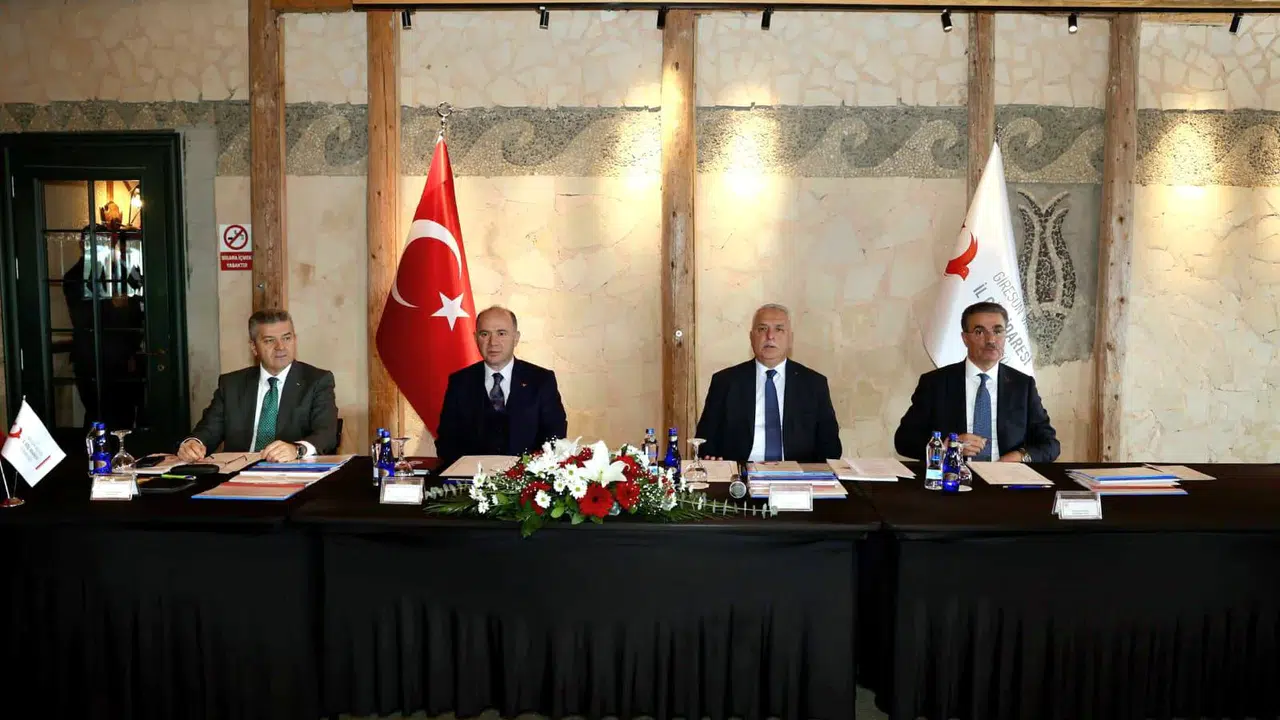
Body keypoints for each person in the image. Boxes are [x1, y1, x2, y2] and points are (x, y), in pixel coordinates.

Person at [894, 301, 1060, 462]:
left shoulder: (1022, 385)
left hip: (1007, 476)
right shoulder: (935, 383)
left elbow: (1050, 444)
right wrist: (946, 447)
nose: (991, 340)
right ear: (965, 338)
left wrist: (1020, 457)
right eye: (979, 332)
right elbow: (904, 440)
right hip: (952, 474)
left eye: (998, 331)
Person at [177, 309, 339, 462]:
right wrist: (193, 444)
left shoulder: (317, 381)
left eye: (286, 338)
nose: (280, 347)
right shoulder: (232, 384)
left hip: (291, 471)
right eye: (269, 341)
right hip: (238, 472)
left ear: (295, 340)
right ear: (254, 347)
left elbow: (326, 434)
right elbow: (208, 430)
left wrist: (297, 450)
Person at [694, 303, 842, 463]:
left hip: (797, 472)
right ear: (751, 337)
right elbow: (704, 440)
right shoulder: (725, 382)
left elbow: (831, 447)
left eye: (779, 329)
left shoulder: (814, 384)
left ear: (790, 339)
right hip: (741, 472)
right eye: (762, 329)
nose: (770, 336)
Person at [435, 306, 568, 469]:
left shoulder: (541, 380)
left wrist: (528, 473)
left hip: (526, 479)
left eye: (501, 333)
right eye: (485, 334)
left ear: (516, 338)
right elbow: (447, 441)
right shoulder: (460, 382)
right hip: (472, 479)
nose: (493, 342)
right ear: (475, 338)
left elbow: (555, 437)